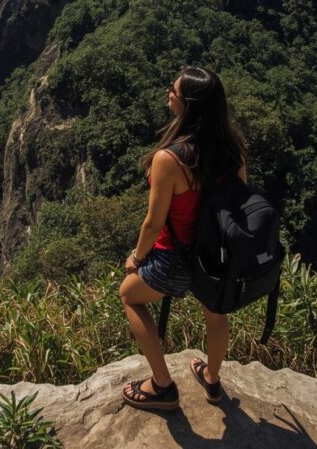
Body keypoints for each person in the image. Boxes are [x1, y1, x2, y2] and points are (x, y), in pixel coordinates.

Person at [120, 66, 246, 411]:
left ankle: (162, 386)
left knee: (129, 297)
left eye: (172, 91)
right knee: (215, 314)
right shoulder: (233, 146)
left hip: (174, 256)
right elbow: (240, 197)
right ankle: (212, 378)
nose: (168, 94)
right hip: (215, 255)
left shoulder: (170, 159)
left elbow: (152, 223)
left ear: (188, 105)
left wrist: (137, 257)